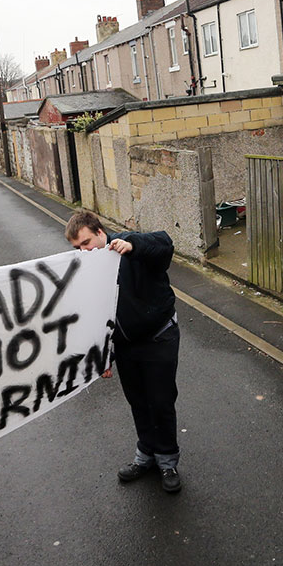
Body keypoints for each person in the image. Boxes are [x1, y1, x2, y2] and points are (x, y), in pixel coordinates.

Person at [65, 211, 182, 493]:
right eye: (77, 248)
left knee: (161, 401)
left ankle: (167, 461)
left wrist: (133, 246)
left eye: (86, 243)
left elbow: (165, 245)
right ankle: (145, 457)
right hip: (126, 344)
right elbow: (98, 315)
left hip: (159, 336)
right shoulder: (89, 271)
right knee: (138, 402)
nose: (83, 251)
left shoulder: (128, 245)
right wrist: (104, 356)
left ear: (100, 232)